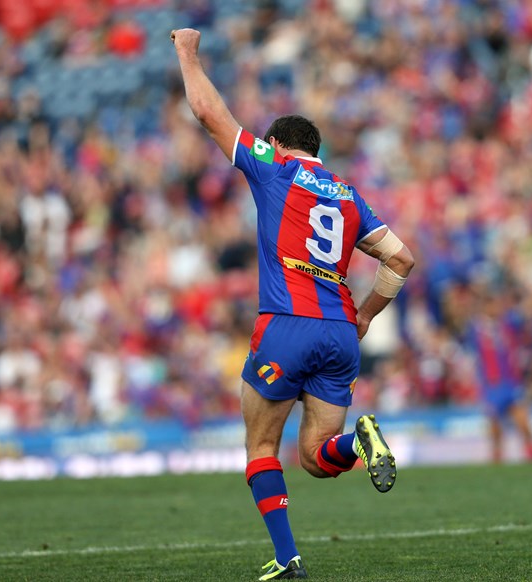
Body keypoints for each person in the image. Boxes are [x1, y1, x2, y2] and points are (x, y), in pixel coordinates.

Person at [170, 29, 415, 580]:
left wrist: (186, 52)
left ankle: (288, 560)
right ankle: (361, 440)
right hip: (338, 334)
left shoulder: (275, 167)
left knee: (262, 446)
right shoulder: (350, 195)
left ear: (279, 146)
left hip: (286, 325)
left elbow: (210, 114)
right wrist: (369, 312)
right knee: (317, 457)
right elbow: (401, 259)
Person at [464, 283, 532, 464]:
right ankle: (497, 460)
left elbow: (528, 311)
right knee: (496, 428)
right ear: (485, 306)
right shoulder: (476, 329)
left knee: (523, 422)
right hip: (492, 384)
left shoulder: (508, 323)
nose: (497, 308)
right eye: (493, 304)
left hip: (511, 381)